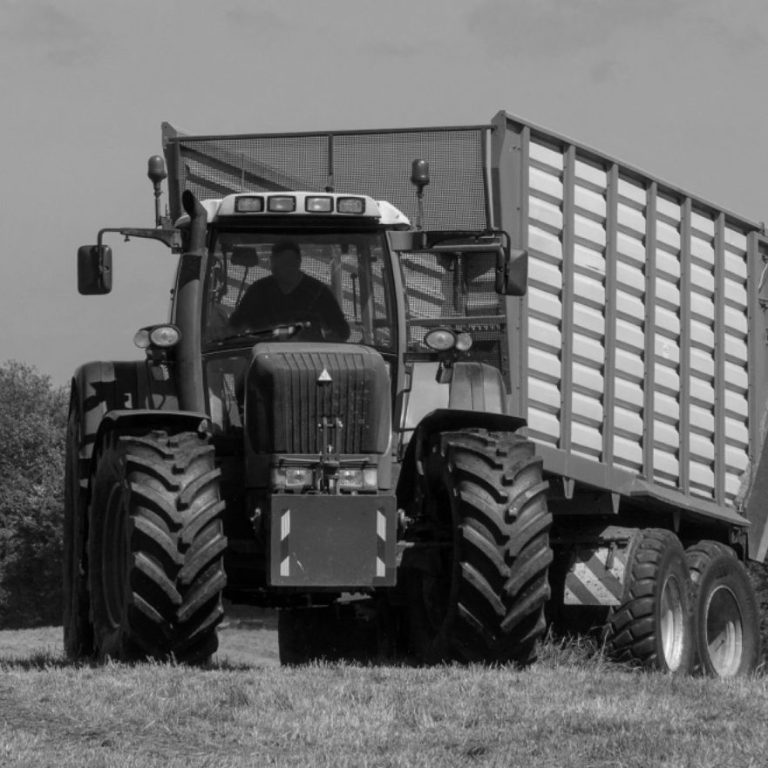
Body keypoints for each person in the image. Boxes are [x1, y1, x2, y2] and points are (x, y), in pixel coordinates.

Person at [228, 240, 351, 341]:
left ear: (298, 263)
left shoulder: (318, 293)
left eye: (287, 264)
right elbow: (234, 329)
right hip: (262, 357)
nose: (281, 270)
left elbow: (341, 333)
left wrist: (322, 334)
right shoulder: (258, 292)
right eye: (277, 265)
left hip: (308, 358)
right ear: (272, 264)